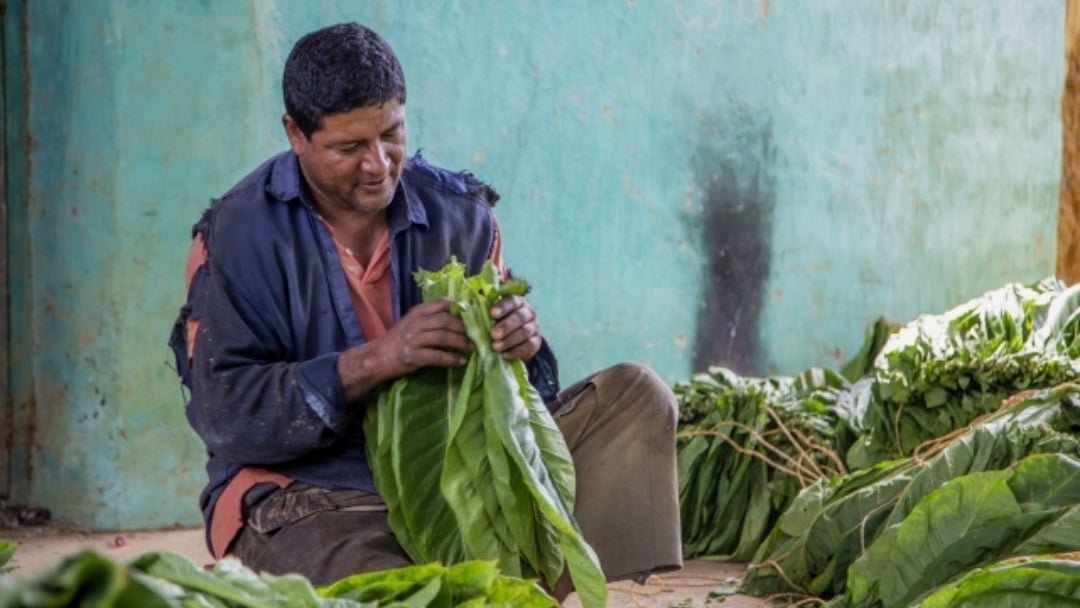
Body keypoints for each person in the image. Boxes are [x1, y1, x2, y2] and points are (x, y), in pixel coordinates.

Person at [169, 21, 682, 596]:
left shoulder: (461, 217)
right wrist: (377, 360)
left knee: (639, 398)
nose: (378, 164)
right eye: (349, 147)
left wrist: (524, 346)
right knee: (401, 588)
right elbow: (227, 415)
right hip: (313, 493)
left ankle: (521, 585)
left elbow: (523, 397)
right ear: (295, 133)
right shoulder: (237, 237)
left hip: (457, 476)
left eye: (391, 134)